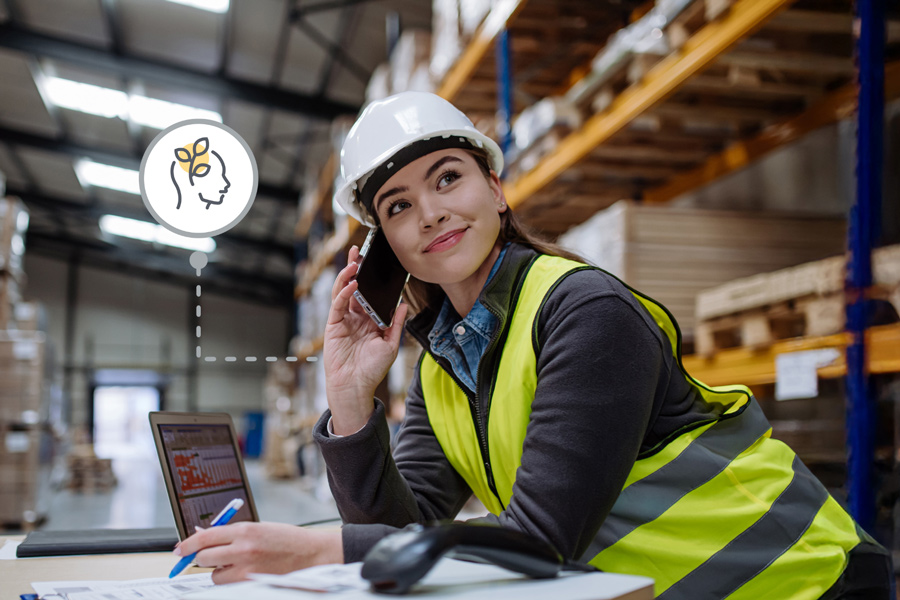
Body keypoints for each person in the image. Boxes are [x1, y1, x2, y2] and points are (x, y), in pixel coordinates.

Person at [175, 91, 891, 599]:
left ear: (495, 188)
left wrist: (313, 551)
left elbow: (546, 538)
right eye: (397, 206)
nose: (429, 213)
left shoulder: (585, 311)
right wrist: (352, 402)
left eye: (447, 178)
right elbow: (404, 531)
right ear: (385, 246)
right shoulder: (443, 365)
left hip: (803, 582)